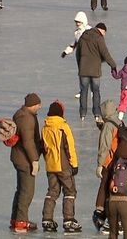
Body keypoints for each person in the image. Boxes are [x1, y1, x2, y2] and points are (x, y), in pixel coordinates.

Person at [40, 101, 81, 233]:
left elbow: (43, 147)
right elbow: (69, 147)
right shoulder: (63, 127)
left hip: (51, 166)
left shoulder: (45, 127)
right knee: (69, 191)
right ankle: (69, 220)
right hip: (64, 165)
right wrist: (74, 164)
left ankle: (47, 219)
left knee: (52, 192)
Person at [8, 93, 43, 233]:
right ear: (32, 105)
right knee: (27, 191)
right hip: (25, 160)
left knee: (20, 189)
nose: (40, 107)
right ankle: (21, 222)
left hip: (18, 157)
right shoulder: (27, 119)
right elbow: (28, 142)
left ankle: (15, 219)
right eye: (38, 105)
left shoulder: (21, 114)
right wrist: (34, 160)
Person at [76, 22, 116, 121]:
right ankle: (97, 113)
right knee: (96, 91)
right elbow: (105, 53)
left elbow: (78, 53)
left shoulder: (83, 37)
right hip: (95, 70)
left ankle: (82, 113)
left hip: (83, 69)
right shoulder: (99, 38)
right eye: (104, 33)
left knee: (83, 91)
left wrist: (80, 65)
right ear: (101, 30)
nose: (104, 35)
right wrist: (113, 66)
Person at [61, 12, 91, 100]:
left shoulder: (90, 30)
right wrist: (66, 52)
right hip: (80, 56)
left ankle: (93, 91)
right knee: (82, 75)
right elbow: (74, 44)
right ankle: (82, 90)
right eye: (76, 22)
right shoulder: (77, 33)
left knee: (91, 75)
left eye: (79, 22)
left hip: (90, 56)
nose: (77, 24)